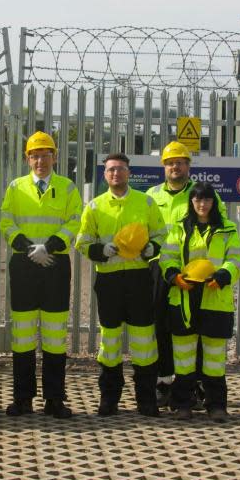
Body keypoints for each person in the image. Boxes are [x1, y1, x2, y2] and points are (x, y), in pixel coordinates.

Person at [0, 131, 82, 418]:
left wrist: (52, 246)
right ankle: (23, 399)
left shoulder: (68, 188)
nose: (40, 161)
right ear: (27, 158)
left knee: (55, 337)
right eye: (34, 155)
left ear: (55, 157)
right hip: (24, 265)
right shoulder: (15, 187)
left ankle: (54, 400)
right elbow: (6, 221)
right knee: (22, 336)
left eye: (45, 155)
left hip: (55, 266)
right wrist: (25, 246)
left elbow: (75, 221)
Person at [75, 152, 166, 417]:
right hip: (109, 281)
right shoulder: (94, 206)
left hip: (139, 279)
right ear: (105, 175)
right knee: (110, 342)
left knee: (144, 344)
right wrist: (102, 250)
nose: (116, 174)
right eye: (111, 170)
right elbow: (81, 242)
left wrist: (151, 248)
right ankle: (109, 399)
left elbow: (162, 233)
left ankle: (146, 400)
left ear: (129, 173)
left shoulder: (146, 202)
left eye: (121, 169)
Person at [146, 141, 225, 408]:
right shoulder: (152, 195)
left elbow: (221, 226)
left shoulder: (201, 193)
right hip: (161, 267)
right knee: (162, 325)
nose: (175, 166)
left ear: (188, 166)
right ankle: (165, 382)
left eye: (180, 162)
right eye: (170, 162)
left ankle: (195, 385)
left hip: (196, 271)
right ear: (164, 167)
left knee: (196, 325)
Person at [159, 182, 240, 422]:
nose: (202, 204)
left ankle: (216, 406)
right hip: (184, 297)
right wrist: (173, 276)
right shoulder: (179, 229)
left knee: (214, 359)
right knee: (184, 358)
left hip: (214, 298)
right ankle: (182, 404)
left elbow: (236, 258)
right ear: (191, 203)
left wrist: (224, 275)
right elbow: (167, 256)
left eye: (207, 199)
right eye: (197, 200)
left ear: (214, 202)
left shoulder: (227, 229)